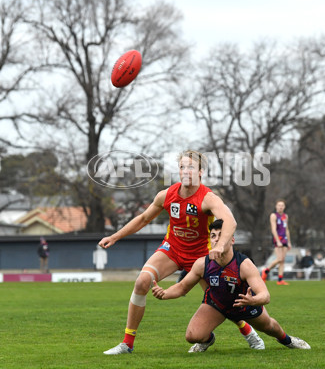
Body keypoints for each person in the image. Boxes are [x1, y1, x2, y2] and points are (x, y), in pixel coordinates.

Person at [99, 150, 262, 355]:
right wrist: (115, 236)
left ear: (201, 172)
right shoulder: (167, 195)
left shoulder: (208, 198)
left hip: (201, 255)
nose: (186, 171)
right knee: (141, 282)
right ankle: (127, 344)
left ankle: (248, 332)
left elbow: (231, 221)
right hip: (173, 250)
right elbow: (143, 219)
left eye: (191, 167)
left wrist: (220, 246)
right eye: (182, 167)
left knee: (220, 299)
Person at [151, 219, 310, 352]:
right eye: (213, 236)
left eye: (221, 236)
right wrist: (164, 293)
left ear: (231, 240)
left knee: (270, 327)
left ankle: (288, 340)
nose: (216, 239)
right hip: (216, 305)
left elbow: (265, 295)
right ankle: (207, 340)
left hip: (244, 305)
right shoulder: (202, 263)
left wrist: (253, 301)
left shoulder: (244, 264)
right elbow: (182, 287)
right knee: (192, 336)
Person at [261, 200, 292, 285]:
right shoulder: (273, 215)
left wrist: (289, 242)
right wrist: (278, 240)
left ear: (284, 207)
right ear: (276, 206)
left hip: (285, 239)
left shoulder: (286, 216)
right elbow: (273, 229)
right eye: (279, 205)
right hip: (278, 239)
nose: (280, 207)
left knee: (283, 260)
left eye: (282, 205)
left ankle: (280, 280)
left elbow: (287, 229)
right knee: (279, 258)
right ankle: (266, 270)